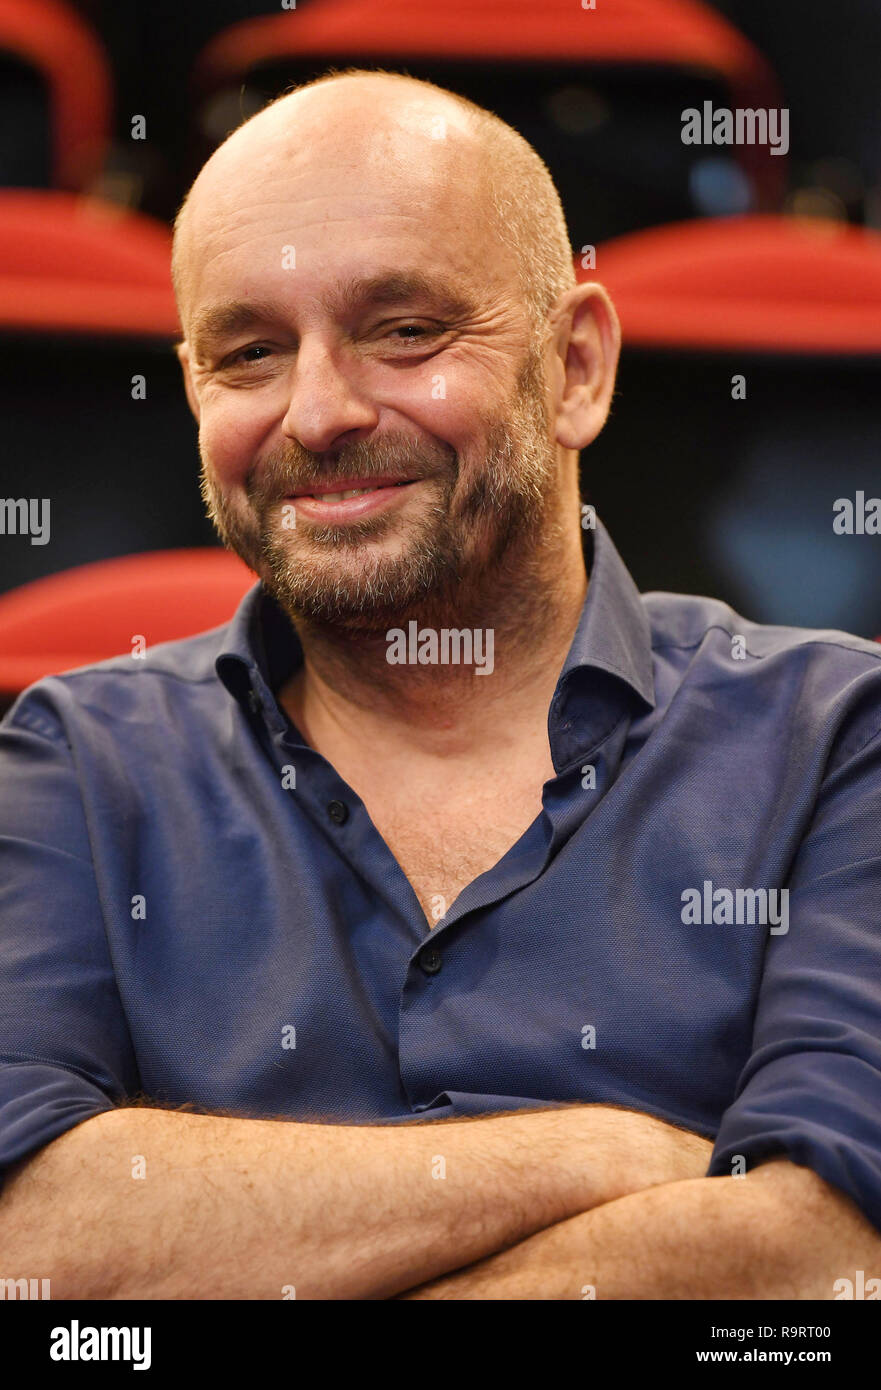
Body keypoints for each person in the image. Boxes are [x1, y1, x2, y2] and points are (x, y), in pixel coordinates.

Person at [1, 70, 880, 1300]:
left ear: (574, 366)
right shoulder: (69, 765)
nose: (318, 411)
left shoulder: (839, 741)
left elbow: (812, 1258)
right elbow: (29, 1241)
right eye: (247, 352)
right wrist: (604, 1151)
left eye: (404, 330)